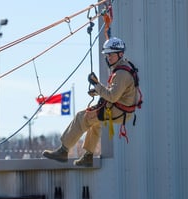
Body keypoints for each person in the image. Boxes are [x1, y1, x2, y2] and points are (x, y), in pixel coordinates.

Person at [42, 37, 139, 167]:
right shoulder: (123, 67)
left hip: (119, 110)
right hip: (122, 110)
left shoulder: (121, 73)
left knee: (82, 117)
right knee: (95, 122)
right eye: (107, 55)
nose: (108, 57)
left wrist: (97, 84)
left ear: (120, 54)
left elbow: (112, 96)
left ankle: (63, 151)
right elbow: (116, 93)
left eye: (111, 54)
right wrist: (97, 91)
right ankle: (88, 156)